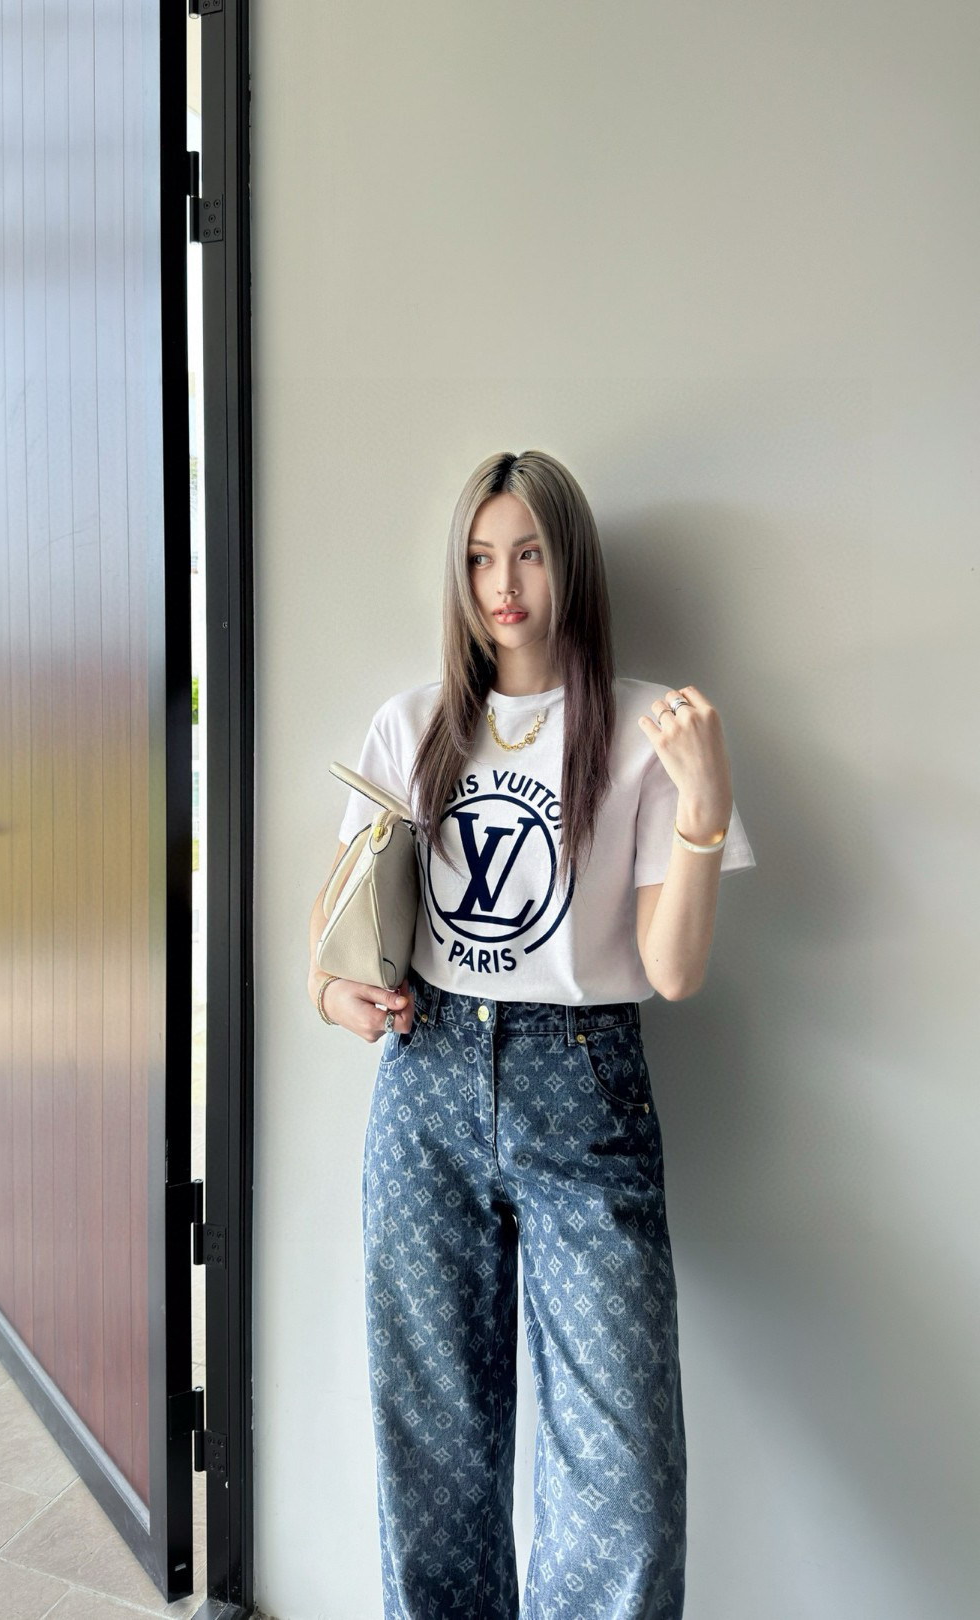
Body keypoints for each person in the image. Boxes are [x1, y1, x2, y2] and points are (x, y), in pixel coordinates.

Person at [306, 449, 756, 1620]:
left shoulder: (649, 726)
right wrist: (336, 994)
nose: (502, 585)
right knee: (434, 1442)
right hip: (427, 1083)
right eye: (478, 558)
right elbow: (334, 931)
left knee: (623, 1479)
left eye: (529, 554)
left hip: (584, 1077)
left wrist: (705, 807)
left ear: (573, 564)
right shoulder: (414, 723)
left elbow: (672, 969)